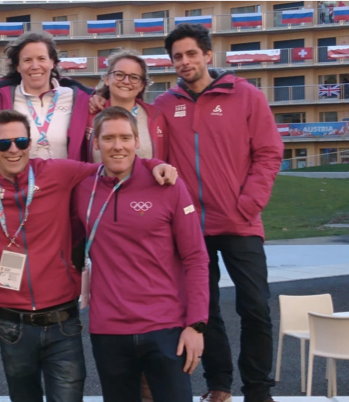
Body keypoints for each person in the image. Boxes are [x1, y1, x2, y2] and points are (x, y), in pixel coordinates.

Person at [93, 24, 282, 402]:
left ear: (208, 54)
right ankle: (219, 384)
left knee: (256, 307)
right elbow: (141, 139)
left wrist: (248, 203)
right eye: (177, 56)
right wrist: (98, 99)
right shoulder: (165, 105)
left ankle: (258, 390)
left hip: (240, 220)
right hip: (190, 223)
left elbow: (269, 152)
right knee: (204, 309)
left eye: (191, 53)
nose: (184, 62)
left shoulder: (246, 95)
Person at [0, 110, 176, 402]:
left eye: (20, 142)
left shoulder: (57, 171)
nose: (13, 150)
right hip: (12, 323)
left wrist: (153, 163)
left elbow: (112, 166)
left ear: (30, 143)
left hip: (62, 320)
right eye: (3, 144)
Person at [71, 107, 209, 402]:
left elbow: (196, 257)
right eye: (108, 138)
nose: (117, 146)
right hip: (108, 329)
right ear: (96, 143)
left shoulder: (167, 184)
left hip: (165, 326)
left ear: (137, 141)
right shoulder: (83, 188)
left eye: (125, 138)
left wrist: (196, 324)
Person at [0, 31, 94, 162]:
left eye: (41, 59)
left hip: (68, 175)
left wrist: (102, 94)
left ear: (52, 62)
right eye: (27, 60)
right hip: (18, 175)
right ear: (18, 66)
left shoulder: (80, 98)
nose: (35, 66)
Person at [89, 49, 167, 163]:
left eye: (134, 77)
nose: (126, 81)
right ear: (107, 79)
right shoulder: (91, 113)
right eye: (119, 74)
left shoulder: (156, 116)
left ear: (141, 86)